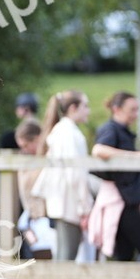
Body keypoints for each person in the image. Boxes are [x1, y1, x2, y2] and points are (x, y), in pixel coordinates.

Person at [87, 92, 140, 261]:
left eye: (137, 110)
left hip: (127, 198)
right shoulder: (110, 129)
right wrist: (135, 156)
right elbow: (99, 150)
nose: (136, 114)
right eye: (132, 110)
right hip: (120, 200)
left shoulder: (122, 131)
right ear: (117, 109)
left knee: (125, 253)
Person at [31, 90, 93, 262]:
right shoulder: (68, 133)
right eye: (85, 106)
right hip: (68, 200)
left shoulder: (63, 131)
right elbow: (75, 173)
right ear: (73, 108)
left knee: (64, 252)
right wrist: (84, 206)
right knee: (67, 254)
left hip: (63, 199)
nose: (88, 111)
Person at [14, 119, 54, 259]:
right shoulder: (24, 161)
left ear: (37, 139)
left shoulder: (50, 156)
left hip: (49, 218)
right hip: (33, 220)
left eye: (26, 145)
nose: (24, 150)